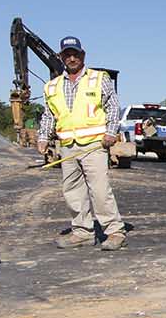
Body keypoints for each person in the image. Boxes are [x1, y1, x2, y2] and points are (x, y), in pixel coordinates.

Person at [38, 37, 127, 251]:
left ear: (83, 55)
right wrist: (43, 137)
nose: (72, 58)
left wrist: (111, 132)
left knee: (99, 190)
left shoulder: (98, 79)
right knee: (72, 191)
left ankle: (115, 231)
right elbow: (49, 115)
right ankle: (82, 232)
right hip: (67, 145)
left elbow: (113, 106)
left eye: (75, 54)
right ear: (61, 57)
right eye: (67, 54)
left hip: (94, 145)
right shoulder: (52, 86)